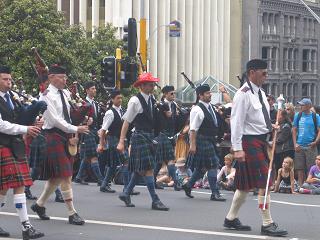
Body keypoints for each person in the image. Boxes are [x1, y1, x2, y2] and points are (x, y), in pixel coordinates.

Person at [223, 59, 287, 237]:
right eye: (263, 73)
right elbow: (236, 122)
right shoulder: (243, 94)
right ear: (252, 72)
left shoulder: (260, 92)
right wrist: (237, 148)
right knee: (265, 180)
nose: (266, 76)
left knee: (244, 186)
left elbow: (257, 119)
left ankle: (230, 218)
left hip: (259, 141)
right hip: (248, 142)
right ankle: (267, 223)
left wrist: (270, 127)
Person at [31, 64, 89, 225]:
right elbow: (55, 120)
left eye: (65, 77)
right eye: (62, 77)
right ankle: (72, 213)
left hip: (66, 135)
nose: (65, 80)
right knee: (66, 175)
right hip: (53, 135)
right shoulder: (45, 96)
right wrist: (75, 128)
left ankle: (39, 205)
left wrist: (83, 119)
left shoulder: (66, 92)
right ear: (51, 78)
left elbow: (71, 114)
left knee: (57, 177)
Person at [0, 65, 44, 239]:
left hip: (14, 145)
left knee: (4, 189)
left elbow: (18, 118)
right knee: (17, 186)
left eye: (10, 79)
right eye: (4, 79)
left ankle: (26, 227)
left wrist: (34, 121)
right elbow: (2, 125)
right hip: (2, 145)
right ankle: (26, 227)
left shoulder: (11, 98)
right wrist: (26, 129)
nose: (9, 82)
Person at [117, 72, 169, 211]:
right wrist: (121, 141)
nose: (153, 86)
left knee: (141, 169)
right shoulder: (135, 100)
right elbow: (127, 122)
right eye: (150, 84)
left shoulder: (151, 99)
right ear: (142, 86)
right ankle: (155, 200)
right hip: (139, 136)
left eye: (153, 84)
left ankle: (126, 193)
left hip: (150, 137)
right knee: (149, 169)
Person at [182, 84, 226, 201]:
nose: (210, 94)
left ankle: (188, 185)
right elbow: (193, 129)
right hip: (202, 139)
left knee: (202, 168)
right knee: (213, 165)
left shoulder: (210, 107)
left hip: (211, 139)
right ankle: (215, 192)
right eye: (207, 93)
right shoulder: (197, 109)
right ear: (200, 96)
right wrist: (192, 145)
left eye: (210, 92)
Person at [97, 90, 129, 193]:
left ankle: (104, 185)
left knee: (113, 164)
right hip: (113, 139)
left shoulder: (123, 111)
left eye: (121, 98)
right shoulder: (110, 112)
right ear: (112, 99)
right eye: (117, 98)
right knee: (126, 162)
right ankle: (127, 187)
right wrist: (101, 144)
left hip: (121, 139)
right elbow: (103, 130)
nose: (120, 100)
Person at [74, 81, 103, 186]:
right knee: (93, 155)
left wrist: (100, 130)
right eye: (92, 89)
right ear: (87, 90)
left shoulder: (95, 103)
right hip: (87, 130)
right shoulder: (82, 103)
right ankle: (100, 180)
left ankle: (78, 177)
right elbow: (77, 119)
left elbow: (98, 118)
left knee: (87, 156)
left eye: (95, 88)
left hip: (95, 130)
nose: (94, 90)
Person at [153, 85, 178, 190]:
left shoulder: (173, 105)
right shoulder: (160, 105)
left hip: (171, 135)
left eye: (174, 93)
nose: (173, 95)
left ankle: (153, 181)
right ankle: (177, 183)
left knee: (159, 161)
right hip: (163, 134)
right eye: (171, 93)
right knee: (170, 159)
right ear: (165, 94)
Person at [292, 98, 320, 187]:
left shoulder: (315, 116)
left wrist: (315, 141)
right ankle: (300, 186)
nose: (300, 106)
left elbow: (319, 130)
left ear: (308, 106)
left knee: (311, 167)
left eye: (302, 105)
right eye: (300, 104)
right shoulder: (298, 115)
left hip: (310, 145)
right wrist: (295, 144)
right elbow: (294, 130)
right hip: (299, 145)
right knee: (299, 167)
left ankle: (311, 185)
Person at [274, 110, 294, 176]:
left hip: (285, 150)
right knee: (278, 168)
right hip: (279, 151)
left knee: (285, 168)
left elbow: (281, 139)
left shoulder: (286, 126)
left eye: (279, 115)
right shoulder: (280, 125)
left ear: (282, 116)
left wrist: (273, 142)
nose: (277, 117)